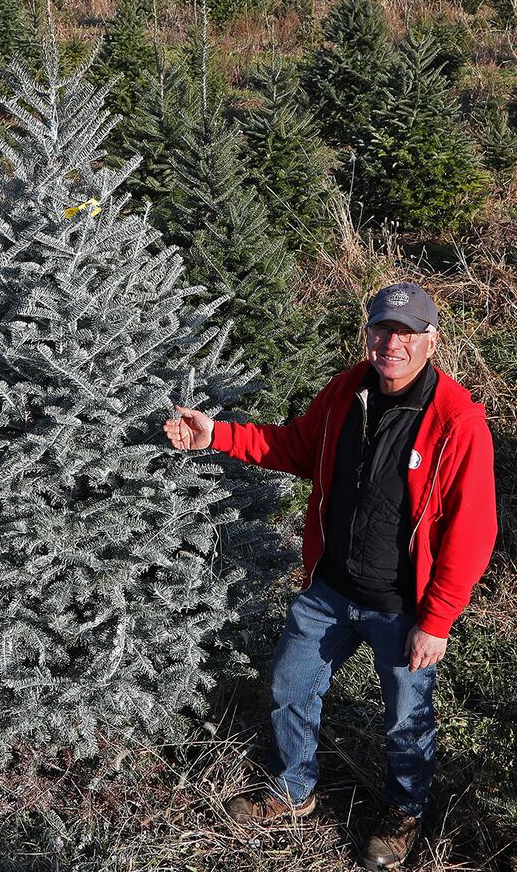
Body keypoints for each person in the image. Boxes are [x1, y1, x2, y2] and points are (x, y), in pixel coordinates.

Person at [164, 281, 497, 870]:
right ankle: (294, 789)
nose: (391, 343)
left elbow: (474, 530)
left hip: (404, 606)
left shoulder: (456, 420)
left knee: (405, 718)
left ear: (431, 342)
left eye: (406, 334)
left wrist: (438, 619)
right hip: (330, 590)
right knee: (291, 686)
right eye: (382, 329)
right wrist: (215, 434)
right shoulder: (347, 390)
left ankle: (403, 813)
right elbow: (295, 447)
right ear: (369, 333)